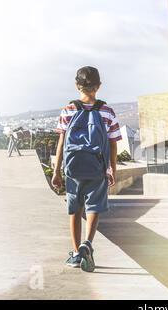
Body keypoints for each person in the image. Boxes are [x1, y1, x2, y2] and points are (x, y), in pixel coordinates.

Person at [52, 66, 122, 272]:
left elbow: (61, 142)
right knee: (94, 208)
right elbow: (113, 144)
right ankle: (87, 245)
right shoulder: (107, 111)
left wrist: (57, 171)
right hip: (97, 168)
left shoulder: (68, 110)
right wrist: (112, 170)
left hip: (73, 169)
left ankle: (75, 254)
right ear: (98, 86)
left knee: (74, 210)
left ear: (77, 85)